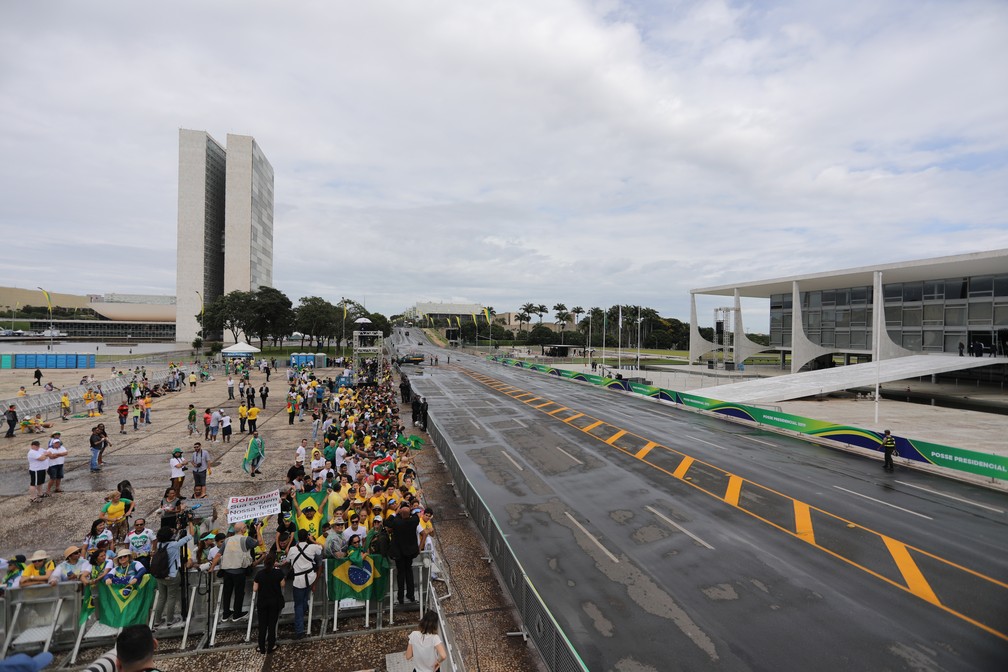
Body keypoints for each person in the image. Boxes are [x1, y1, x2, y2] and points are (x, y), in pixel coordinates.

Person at [213, 521, 264, 622]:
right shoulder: (246, 539)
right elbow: (260, 542)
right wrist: (258, 530)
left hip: (227, 571)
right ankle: (237, 614)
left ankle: (225, 614)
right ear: (243, 529)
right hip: (239, 571)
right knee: (239, 593)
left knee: (227, 593)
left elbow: (218, 555)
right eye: (245, 527)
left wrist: (211, 568)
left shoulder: (227, 540)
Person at [151, 520, 194, 628]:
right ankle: (170, 620)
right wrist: (190, 522)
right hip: (172, 575)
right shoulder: (175, 545)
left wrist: (178, 529)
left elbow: (174, 536)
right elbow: (191, 535)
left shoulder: (160, 544)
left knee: (162, 597)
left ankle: (157, 620)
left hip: (160, 575)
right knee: (171, 597)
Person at [287, 529, 322, 639]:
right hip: (310, 577)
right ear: (307, 537)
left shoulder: (292, 549)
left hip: (298, 580)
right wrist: (312, 540)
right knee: (304, 599)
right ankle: (304, 610)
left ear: (298, 538)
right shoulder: (312, 547)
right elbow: (321, 548)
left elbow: (288, 560)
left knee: (298, 604)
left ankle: (299, 630)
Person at [385, 501, 421, 604]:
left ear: (400, 514)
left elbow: (387, 522)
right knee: (409, 572)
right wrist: (409, 510)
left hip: (399, 553)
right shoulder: (414, 521)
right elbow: (415, 515)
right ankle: (411, 595)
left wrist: (396, 512)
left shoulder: (397, 522)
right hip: (410, 552)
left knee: (400, 574)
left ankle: (400, 597)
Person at [252, 552, 285, 654]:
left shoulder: (259, 574)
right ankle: (271, 646)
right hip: (275, 601)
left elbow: (255, 589)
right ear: (274, 562)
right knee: (272, 624)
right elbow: (282, 585)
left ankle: (261, 647)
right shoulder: (278, 573)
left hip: (262, 601)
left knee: (262, 625)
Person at [27, 439, 50, 504]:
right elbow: (41, 458)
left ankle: (40, 494)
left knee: (40, 482)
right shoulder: (32, 452)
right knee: (33, 484)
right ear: (32, 446)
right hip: (35, 470)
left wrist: (45, 455)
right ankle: (33, 497)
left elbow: (48, 453)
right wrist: (45, 456)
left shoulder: (40, 449)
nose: (37, 447)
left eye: (38, 446)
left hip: (42, 469)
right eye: (35, 446)